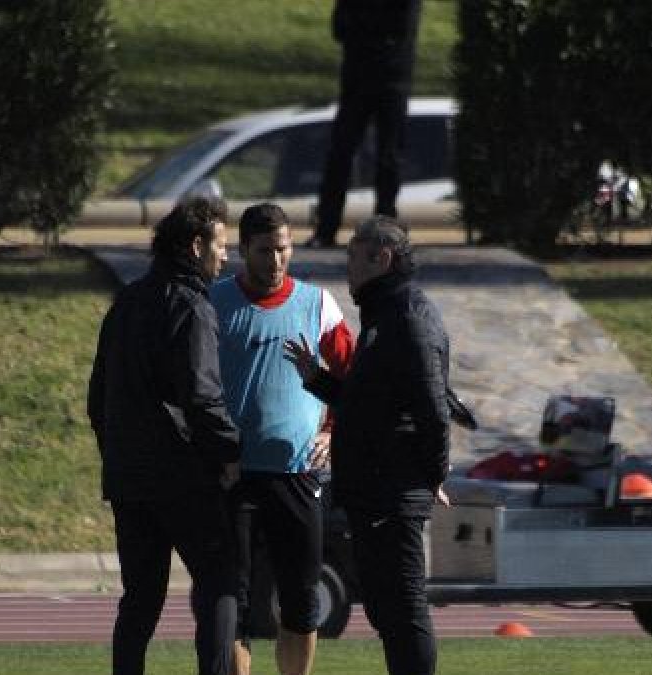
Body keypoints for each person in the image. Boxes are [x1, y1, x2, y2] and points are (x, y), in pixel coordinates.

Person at [285, 216, 450, 675]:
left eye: (354, 260)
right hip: (374, 489)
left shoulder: (408, 319)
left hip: (394, 492)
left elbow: (432, 409)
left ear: (383, 258)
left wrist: (434, 473)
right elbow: (367, 404)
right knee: (384, 607)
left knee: (404, 605)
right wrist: (318, 380)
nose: (349, 272)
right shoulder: (384, 316)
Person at [88, 196, 241, 675]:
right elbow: (200, 394)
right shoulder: (192, 306)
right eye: (221, 246)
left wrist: (117, 453)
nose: (226, 257)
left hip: (129, 477)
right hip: (182, 475)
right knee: (219, 583)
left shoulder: (127, 302)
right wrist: (230, 452)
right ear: (196, 246)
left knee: (140, 599)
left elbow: (98, 396)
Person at [209, 203, 354, 675]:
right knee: (235, 603)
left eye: (284, 249)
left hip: (297, 475)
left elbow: (353, 382)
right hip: (233, 475)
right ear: (243, 250)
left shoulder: (318, 305)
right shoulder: (213, 304)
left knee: (300, 600)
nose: (276, 261)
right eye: (265, 250)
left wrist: (332, 431)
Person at [307, 0, 423, 248]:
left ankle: (384, 227)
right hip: (358, 79)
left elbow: (400, 27)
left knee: (389, 157)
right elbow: (339, 27)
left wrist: (362, 26)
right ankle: (327, 227)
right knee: (341, 152)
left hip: (392, 78)